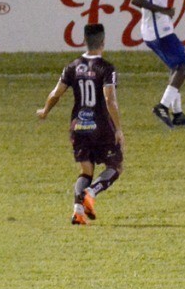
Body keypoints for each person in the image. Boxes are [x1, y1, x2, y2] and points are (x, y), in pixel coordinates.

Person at [35, 23, 125, 225]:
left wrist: (45, 111)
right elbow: (110, 100)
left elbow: (56, 93)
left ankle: (78, 212)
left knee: (86, 171)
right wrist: (118, 128)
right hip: (100, 126)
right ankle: (90, 193)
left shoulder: (72, 67)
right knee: (116, 165)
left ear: (85, 41)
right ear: (103, 42)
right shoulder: (106, 68)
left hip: (78, 126)